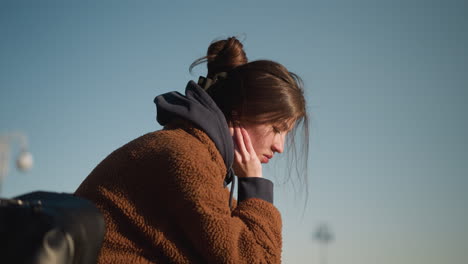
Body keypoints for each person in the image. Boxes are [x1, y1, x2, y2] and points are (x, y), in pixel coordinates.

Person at [75, 36, 308, 264]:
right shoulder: (187, 158)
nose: (280, 147)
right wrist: (255, 187)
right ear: (239, 112)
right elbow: (255, 259)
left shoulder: (191, 153)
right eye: (277, 129)